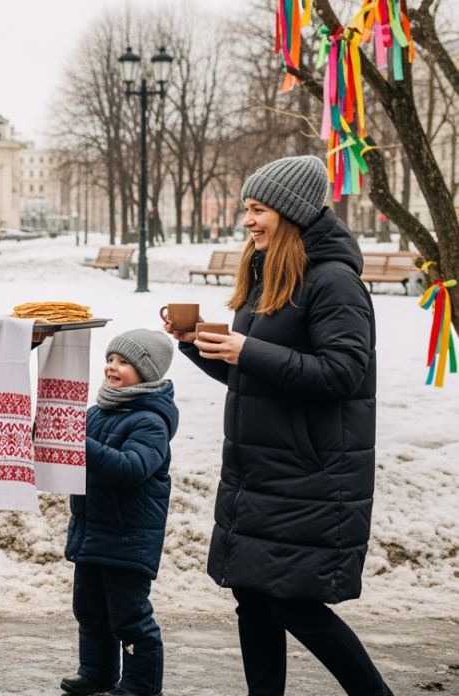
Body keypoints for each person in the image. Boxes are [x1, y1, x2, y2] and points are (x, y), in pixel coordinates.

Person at [167, 155, 390, 696]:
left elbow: (341, 373)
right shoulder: (270, 273)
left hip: (309, 473)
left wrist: (247, 350)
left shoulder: (334, 282)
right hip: (260, 470)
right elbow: (257, 376)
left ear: (291, 213)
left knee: (293, 602)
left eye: (258, 210)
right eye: (247, 208)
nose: (247, 220)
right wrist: (200, 345)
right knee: (253, 595)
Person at [61, 329, 179, 696]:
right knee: (90, 610)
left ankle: (142, 685)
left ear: (147, 371)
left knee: (129, 617)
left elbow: (130, 469)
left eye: (124, 362)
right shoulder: (96, 413)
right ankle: (97, 672)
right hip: (92, 531)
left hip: (128, 536)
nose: (112, 366)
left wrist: (78, 442)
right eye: (110, 359)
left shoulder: (150, 421)